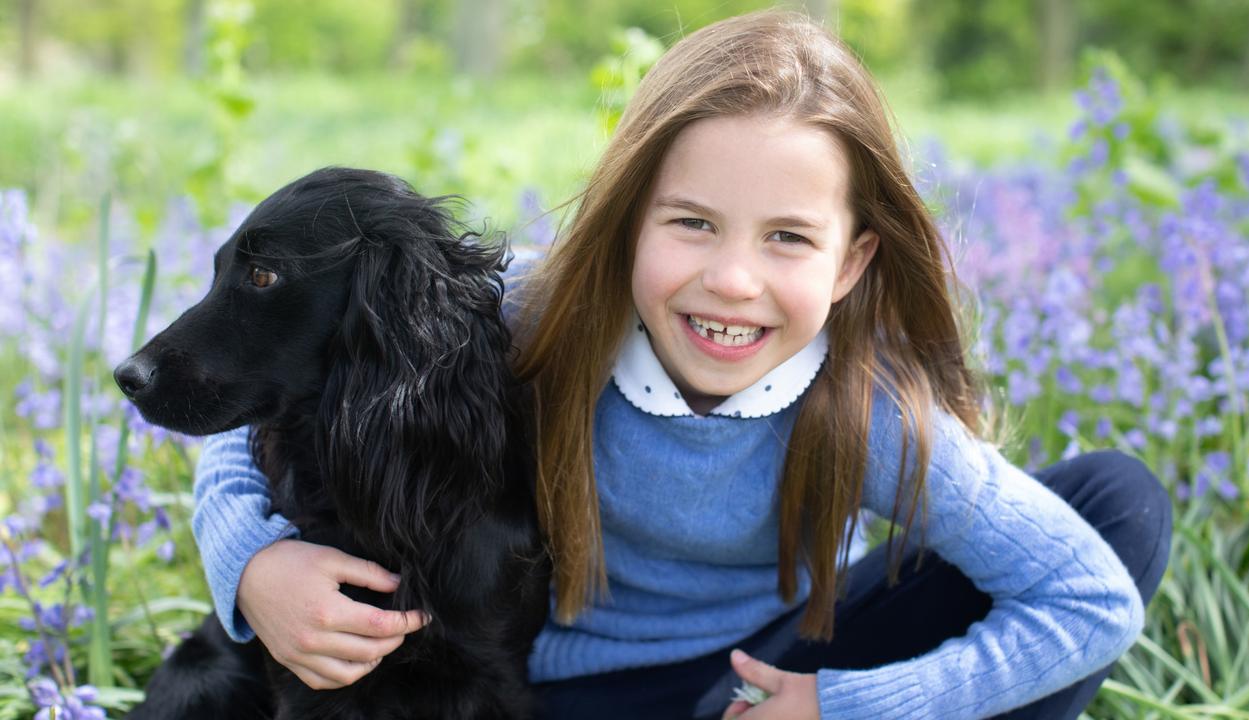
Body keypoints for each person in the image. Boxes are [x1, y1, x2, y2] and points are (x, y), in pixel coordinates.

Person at [191, 10, 1172, 719]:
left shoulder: (861, 408)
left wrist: (851, 704)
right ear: (628, 222)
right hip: (564, 697)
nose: (731, 279)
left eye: (787, 238)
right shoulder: (539, 315)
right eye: (692, 223)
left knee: (1115, 502)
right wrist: (254, 566)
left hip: (767, 677)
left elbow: (1087, 600)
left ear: (850, 263)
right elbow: (259, 391)